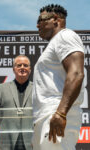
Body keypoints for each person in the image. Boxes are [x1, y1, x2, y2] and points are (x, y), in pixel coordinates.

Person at [32, 4, 84, 150]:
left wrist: (61, 113)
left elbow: (76, 73)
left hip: (56, 112)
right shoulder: (54, 43)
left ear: (55, 19)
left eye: (40, 19)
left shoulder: (65, 36)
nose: (37, 25)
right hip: (47, 115)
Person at [0, 55, 33, 150]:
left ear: (30, 69)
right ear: (13, 69)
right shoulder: (0, 89)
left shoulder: (38, 89)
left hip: (31, 143)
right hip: (6, 142)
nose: (22, 67)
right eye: (19, 65)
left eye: (25, 65)